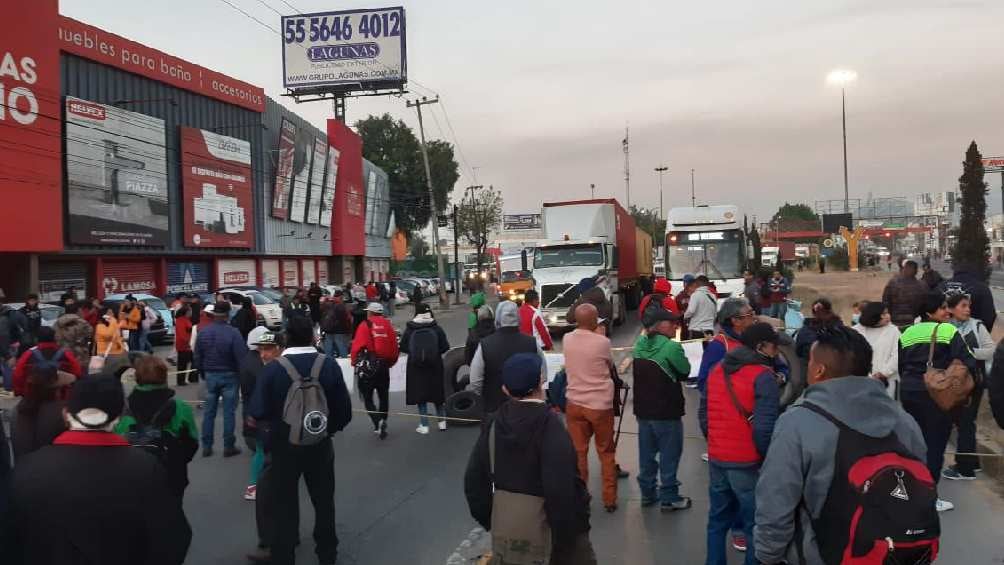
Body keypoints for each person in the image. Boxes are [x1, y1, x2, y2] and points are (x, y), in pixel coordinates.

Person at [754, 326, 931, 565]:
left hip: (823, 554)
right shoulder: (905, 422)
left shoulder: (797, 423)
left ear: (819, 370)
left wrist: (768, 555)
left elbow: (777, 500)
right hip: (892, 554)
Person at [8, 377, 192, 565]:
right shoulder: (145, 469)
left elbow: (11, 543)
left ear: (65, 414)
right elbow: (173, 540)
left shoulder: (27, 469)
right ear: (120, 416)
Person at [463, 353, 597, 565]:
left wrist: (494, 521)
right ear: (541, 381)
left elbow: (474, 483)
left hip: (509, 534)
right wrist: (567, 535)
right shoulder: (551, 426)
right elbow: (561, 489)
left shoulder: (493, 424)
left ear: (505, 389)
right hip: (556, 539)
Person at [251, 316, 352, 565]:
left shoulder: (274, 368)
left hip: (284, 448)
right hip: (320, 444)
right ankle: (327, 554)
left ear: (285, 338)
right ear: (312, 336)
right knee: (324, 502)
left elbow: (257, 410)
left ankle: (284, 555)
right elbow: (344, 411)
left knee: (283, 505)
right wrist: (327, 430)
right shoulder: (327, 364)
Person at [700, 323, 782, 565]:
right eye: (774, 346)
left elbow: (703, 414)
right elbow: (764, 429)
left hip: (717, 458)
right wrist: (768, 458)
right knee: (754, 524)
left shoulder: (717, 369)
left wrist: (715, 441)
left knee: (717, 522)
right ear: (761, 347)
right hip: (747, 462)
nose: (776, 352)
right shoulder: (763, 376)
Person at [898, 292, 980, 512]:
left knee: (915, 441)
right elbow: (968, 361)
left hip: (909, 391)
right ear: (929, 312)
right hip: (936, 393)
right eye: (942, 308)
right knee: (935, 444)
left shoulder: (906, 333)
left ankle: (911, 491)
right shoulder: (948, 330)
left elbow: (901, 365)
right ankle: (930, 497)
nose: (946, 311)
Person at [114, 355, 198, 499]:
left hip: (131, 473)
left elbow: (115, 441)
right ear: (164, 376)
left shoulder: (122, 409)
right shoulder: (179, 407)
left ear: (136, 377)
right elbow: (192, 442)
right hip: (171, 472)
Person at [633, 308, 692, 512]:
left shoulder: (639, 344)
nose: (676, 326)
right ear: (659, 325)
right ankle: (670, 497)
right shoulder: (671, 348)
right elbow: (684, 372)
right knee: (669, 455)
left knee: (646, 455)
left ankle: (648, 494)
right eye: (672, 322)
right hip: (667, 413)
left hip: (643, 411)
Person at [563, 303, 618, 512]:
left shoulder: (567, 339)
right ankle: (609, 499)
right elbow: (610, 365)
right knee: (606, 451)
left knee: (579, 452)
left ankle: (580, 498)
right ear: (595, 321)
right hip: (600, 405)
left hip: (575, 403)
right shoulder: (602, 342)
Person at [943, 290, 995, 480]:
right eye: (963, 306)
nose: (968, 310)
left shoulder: (977, 326)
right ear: (950, 309)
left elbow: (991, 350)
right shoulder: (945, 327)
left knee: (964, 422)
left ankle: (964, 469)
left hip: (973, 381)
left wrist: (968, 353)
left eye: (968, 306)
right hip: (953, 382)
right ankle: (972, 462)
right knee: (964, 422)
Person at [468, 300, 543, 414]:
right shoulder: (532, 342)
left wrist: (484, 400)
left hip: (494, 407)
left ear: (497, 319)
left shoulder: (485, 345)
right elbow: (543, 375)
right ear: (518, 318)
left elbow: (475, 381)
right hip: (528, 408)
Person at [195, 301, 248, 457]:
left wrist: (202, 372)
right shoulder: (233, 333)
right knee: (229, 412)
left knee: (208, 412)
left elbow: (197, 355)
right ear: (227, 314)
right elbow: (241, 356)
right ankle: (228, 445)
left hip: (210, 374)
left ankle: (206, 446)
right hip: (230, 374)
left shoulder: (204, 332)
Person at [400, 303, 451, 433]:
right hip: (435, 365)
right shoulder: (436, 328)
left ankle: (424, 425)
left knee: (420, 395)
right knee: (437, 394)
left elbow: (403, 347)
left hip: (416, 367)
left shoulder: (411, 328)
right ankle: (442, 423)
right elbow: (445, 347)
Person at [350, 302, 399, 439]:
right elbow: (394, 347)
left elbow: (357, 346)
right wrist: (390, 363)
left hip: (369, 366)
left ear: (370, 313)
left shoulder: (365, 325)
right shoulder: (388, 325)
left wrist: (354, 362)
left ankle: (377, 422)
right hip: (383, 365)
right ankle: (384, 419)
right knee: (383, 396)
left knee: (367, 397)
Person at [11, 359, 75, 458]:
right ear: (56, 390)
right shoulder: (61, 413)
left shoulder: (17, 410)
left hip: (22, 467)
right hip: (50, 468)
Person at [240, 326, 275, 502]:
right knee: (262, 450)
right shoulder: (258, 365)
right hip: (259, 415)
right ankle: (254, 486)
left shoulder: (247, 360)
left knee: (262, 449)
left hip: (251, 411)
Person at [12, 327, 82, 398]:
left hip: (33, 395)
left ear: (36, 339)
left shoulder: (28, 354)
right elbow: (77, 373)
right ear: (55, 338)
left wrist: (20, 391)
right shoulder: (66, 354)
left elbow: (18, 375)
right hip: (60, 396)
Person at [851, 301, 901, 399]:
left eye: (887, 313)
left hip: (886, 381)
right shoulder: (855, 331)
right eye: (883, 314)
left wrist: (883, 373)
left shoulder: (893, 331)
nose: (887, 316)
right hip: (860, 381)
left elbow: (897, 355)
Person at [940, 262, 997, 329]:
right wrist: (982, 332)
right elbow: (989, 316)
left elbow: (930, 310)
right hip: (971, 334)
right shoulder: (981, 288)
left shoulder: (941, 286)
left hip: (942, 334)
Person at [882, 260, 928, 330]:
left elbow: (885, 302)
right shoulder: (922, 285)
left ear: (904, 269)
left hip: (895, 321)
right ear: (916, 271)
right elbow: (924, 306)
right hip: (914, 322)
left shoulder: (893, 282)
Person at [93, 305, 127, 375]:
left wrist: (122, 343)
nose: (112, 315)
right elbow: (109, 335)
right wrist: (113, 321)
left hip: (116, 354)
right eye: (109, 313)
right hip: (105, 355)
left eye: (112, 313)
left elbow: (116, 336)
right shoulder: (100, 326)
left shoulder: (112, 324)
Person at [684, 275, 718, 340]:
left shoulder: (695, 295)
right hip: (709, 331)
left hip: (696, 330)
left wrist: (685, 316)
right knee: (708, 349)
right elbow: (715, 314)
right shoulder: (713, 296)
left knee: (695, 350)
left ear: (697, 283)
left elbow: (691, 311)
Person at [173, 304, 196, 386]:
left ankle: (192, 377)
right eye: (190, 311)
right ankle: (181, 380)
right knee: (182, 364)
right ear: (186, 312)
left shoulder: (186, 319)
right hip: (184, 345)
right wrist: (188, 342)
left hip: (188, 344)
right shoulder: (181, 320)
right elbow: (182, 334)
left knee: (192, 361)